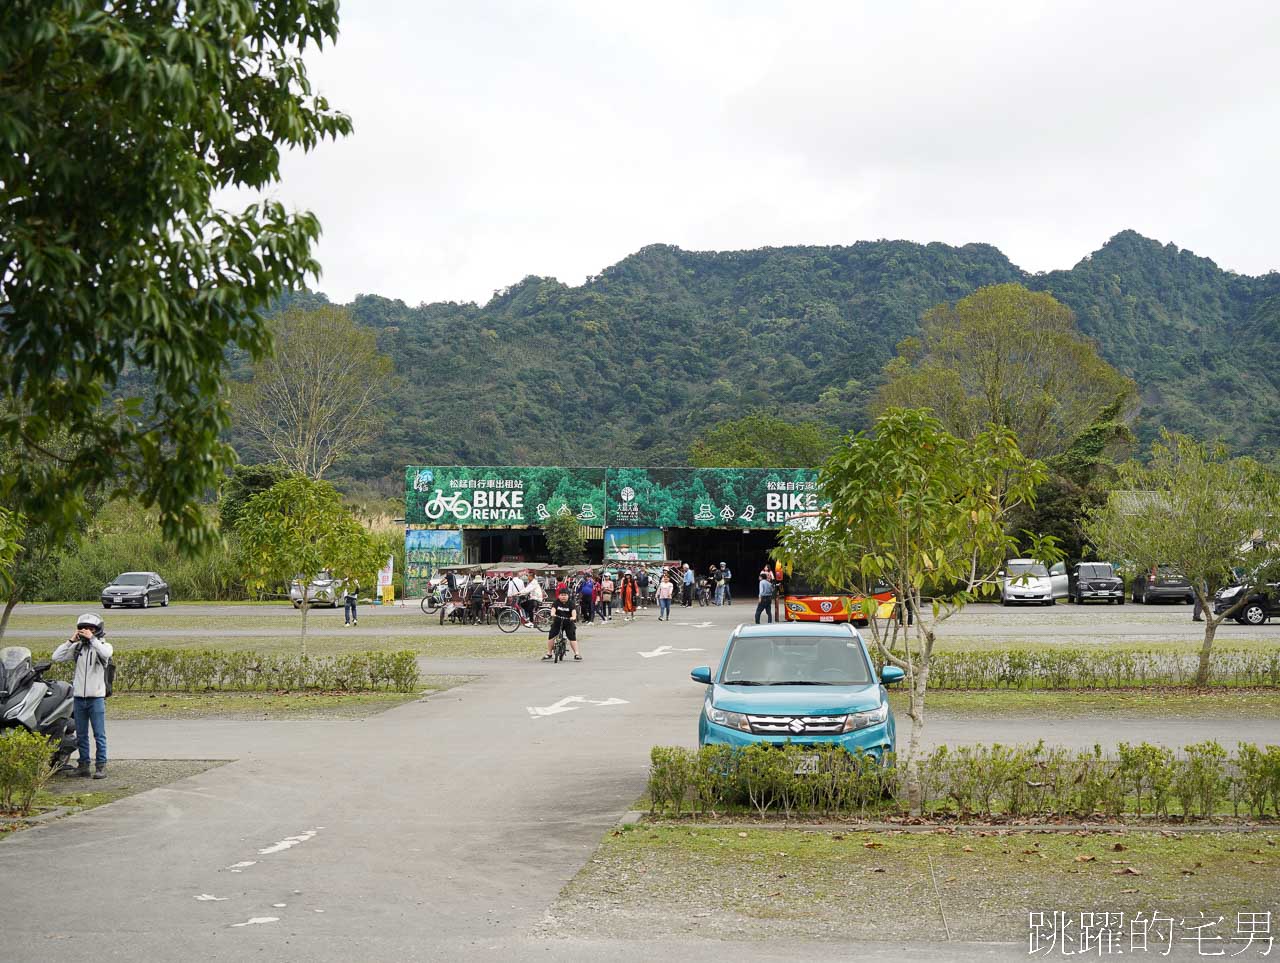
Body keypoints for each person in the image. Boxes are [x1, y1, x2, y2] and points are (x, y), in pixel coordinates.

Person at [52, 614, 114, 779]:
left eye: (90, 628)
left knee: (99, 734)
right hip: (79, 698)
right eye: (83, 628)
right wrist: (71, 641)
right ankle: (83, 765)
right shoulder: (77, 648)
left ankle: (101, 766)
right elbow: (56, 657)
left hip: (96, 698)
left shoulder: (102, 646)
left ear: (97, 630)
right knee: (81, 734)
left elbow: (107, 653)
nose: (86, 631)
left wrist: (93, 639)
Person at [544, 587, 582, 661]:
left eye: (565, 595)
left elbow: (574, 612)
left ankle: (577, 654)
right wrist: (553, 614)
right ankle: (549, 653)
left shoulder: (571, 603)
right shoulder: (556, 602)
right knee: (551, 636)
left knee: (572, 637)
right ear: (559, 596)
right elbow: (553, 610)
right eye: (561, 595)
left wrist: (573, 617)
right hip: (558, 622)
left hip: (568, 622)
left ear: (568, 596)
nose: (563, 597)